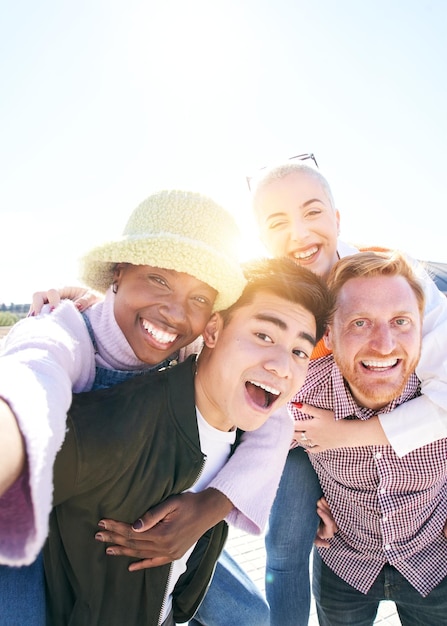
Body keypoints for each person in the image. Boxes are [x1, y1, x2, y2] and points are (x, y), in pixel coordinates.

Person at [0, 190, 291, 625]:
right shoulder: (66, 331)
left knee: (248, 614)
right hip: (46, 524)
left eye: (199, 298)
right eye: (158, 279)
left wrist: (207, 510)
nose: (174, 313)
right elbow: (32, 373)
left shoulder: (192, 351)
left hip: (141, 524)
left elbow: (276, 423)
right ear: (119, 272)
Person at [43, 256, 332, 626]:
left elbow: (280, 421)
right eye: (263, 336)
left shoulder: (245, 427)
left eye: (299, 352)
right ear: (211, 331)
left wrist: (212, 506)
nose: (282, 365)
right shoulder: (109, 430)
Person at [251, 160, 447, 625]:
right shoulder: (260, 292)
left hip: (366, 441)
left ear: (337, 220)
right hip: (303, 439)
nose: (298, 234)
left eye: (311, 212)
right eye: (278, 223)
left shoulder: (398, 282)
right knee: (286, 544)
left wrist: (344, 436)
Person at [289, 250, 447, 625]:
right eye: (360, 323)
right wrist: (300, 516)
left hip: (434, 561)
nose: (384, 344)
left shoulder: (438, 396)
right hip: (345, 565)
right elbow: (245, 440)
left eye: (401, 322)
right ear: (328, 332)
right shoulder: (304, 392)